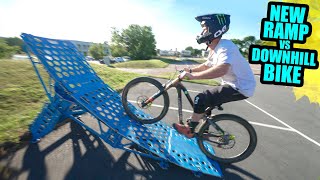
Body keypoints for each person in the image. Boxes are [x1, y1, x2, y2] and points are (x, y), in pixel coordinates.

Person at [173, 14, 256, 138]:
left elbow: (221, 69)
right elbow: (207, 65)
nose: (202, 31)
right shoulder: (216, 48)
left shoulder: (226, 47)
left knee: (201, 98)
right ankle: (203, 131)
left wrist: (194, 77)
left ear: (214, 30)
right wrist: (190, 70)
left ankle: (189, 130)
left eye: (205, 28)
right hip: (232, 84)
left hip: (241, 87)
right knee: (206, 103)